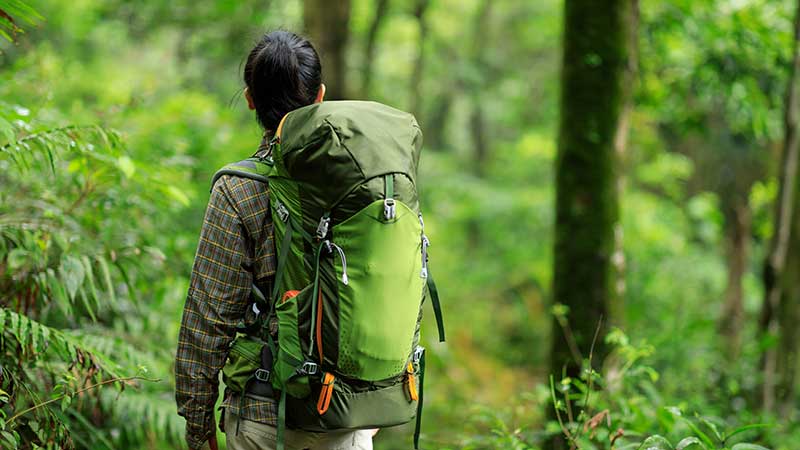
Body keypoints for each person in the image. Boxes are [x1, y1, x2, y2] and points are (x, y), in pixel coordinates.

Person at [174, 30, 373, 450]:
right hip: (348, 415)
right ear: (320, 95)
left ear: (249, 98)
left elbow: (207, 321)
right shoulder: (364, 182)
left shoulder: (237, 189)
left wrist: (198, 427)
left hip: (264, 419)